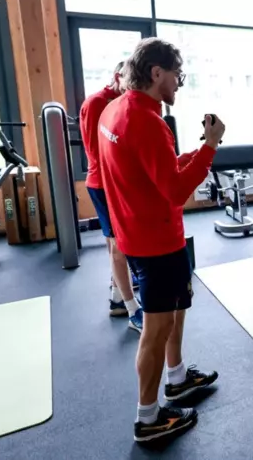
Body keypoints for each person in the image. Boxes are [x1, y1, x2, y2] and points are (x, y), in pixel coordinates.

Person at [98, 38, 221, 442]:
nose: (178, 83)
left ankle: (178, 377)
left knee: (175, 308)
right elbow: (176, 191)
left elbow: (154, 170)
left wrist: (194, 153)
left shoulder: (116, 109)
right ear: (156, 73)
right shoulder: (149, 122)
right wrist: (210, 147)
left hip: (141, 234)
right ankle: (148, 419)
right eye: (176, 75)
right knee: (156, 329)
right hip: (155, 242)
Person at [80, 61, 143, 333]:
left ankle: (118, 298)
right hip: (104, 184)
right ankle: (132, 310)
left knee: (115, 245)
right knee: (119, 246)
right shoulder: (97, 103)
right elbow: (98, 153)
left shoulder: (123, 102)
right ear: (118, 77)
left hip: (116, 183)